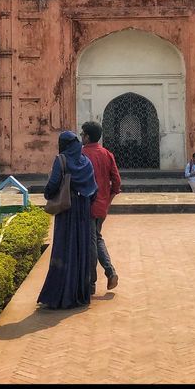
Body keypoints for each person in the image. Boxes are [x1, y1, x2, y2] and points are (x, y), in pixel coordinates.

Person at [37, 130, 98, 310]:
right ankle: (79, 293)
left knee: (64, 248)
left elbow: (54, 183)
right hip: (83, 209)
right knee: (80, 249)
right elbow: (94, 188)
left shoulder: (61, 160)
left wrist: (48, 194)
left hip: (67, 210)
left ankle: (61, 294)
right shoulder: (86, 161)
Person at [81, 121, 121, 295]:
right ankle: (108, 273)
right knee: (96, 238)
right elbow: (117, 182)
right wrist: (108, 199)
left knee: (91, 242)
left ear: (88, 136)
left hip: (86, 205)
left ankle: (93, 282)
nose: (81, 137)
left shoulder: (81, 155)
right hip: (102, 204)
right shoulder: (107, 154)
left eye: (82, 134)